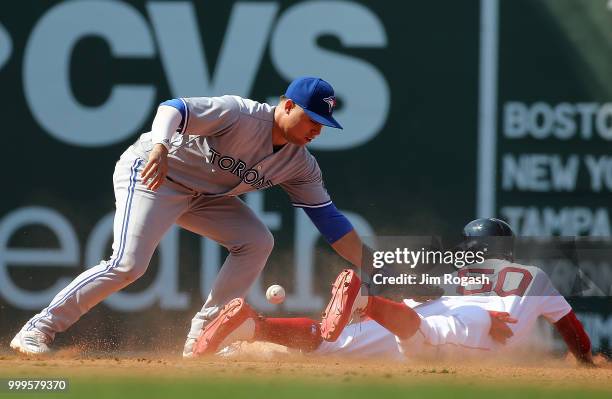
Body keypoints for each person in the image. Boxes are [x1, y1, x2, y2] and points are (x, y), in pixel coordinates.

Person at [10, 77, 368, 358]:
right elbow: (174, 108)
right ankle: (37, 329)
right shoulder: (240, 113)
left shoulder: (300, 165)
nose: (318, 129)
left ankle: (204, 338)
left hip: (204, 197)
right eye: (312, 118)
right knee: (128, 264)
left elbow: (330, 222)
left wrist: (376, 266)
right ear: (288, 105)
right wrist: (161, 146)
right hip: (155, 174)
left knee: (257, 240)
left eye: (324, 123)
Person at [193, 219, 594, 366]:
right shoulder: (532, 275)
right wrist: (585, 362)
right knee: (423, 333)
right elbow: (572, 330)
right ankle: (367, 301)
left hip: (413, 312)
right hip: (478, 328)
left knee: (324, 342)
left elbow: (418, 296)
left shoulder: (452, 270)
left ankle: (257, 327)